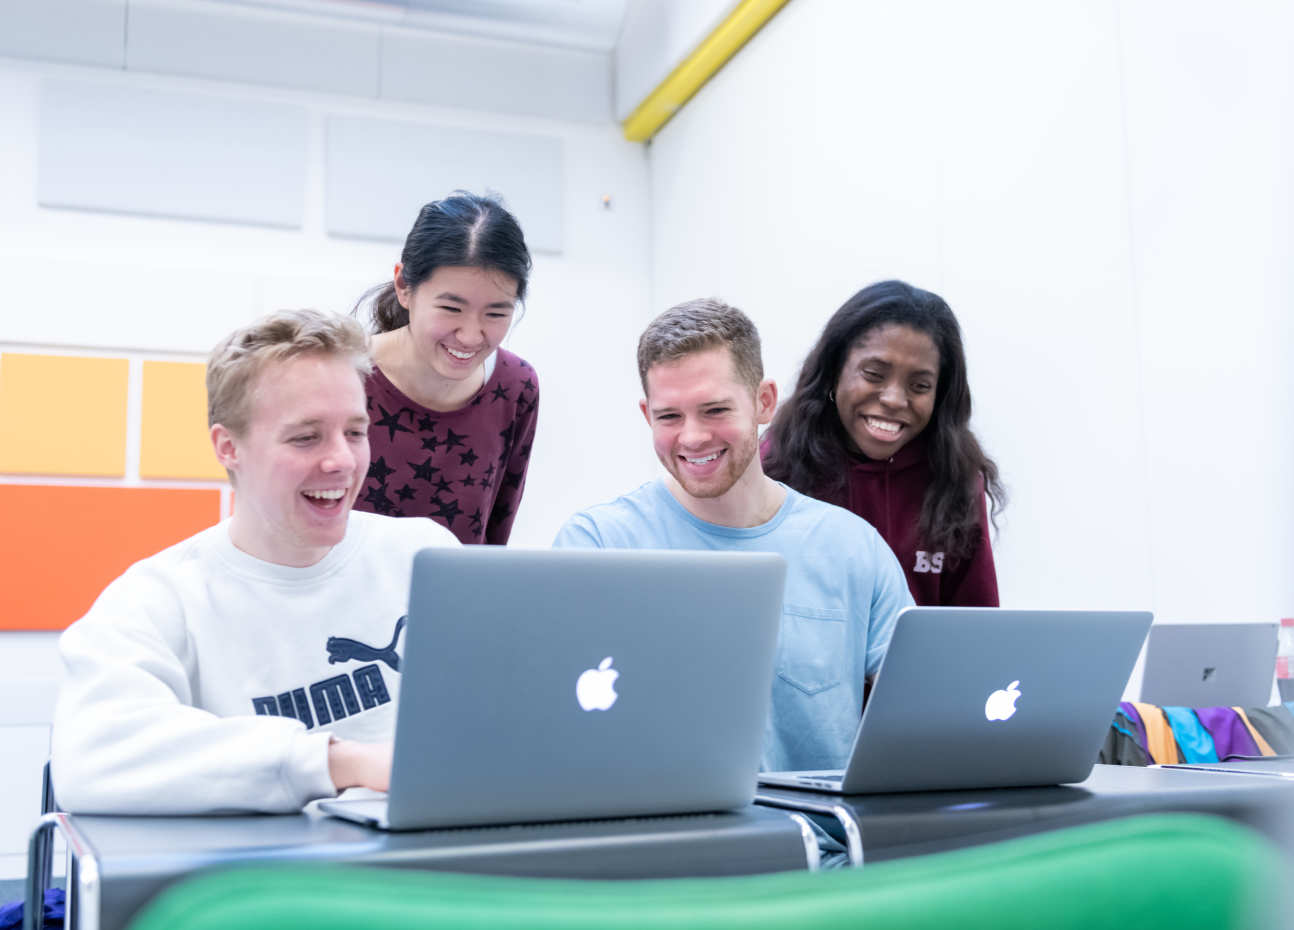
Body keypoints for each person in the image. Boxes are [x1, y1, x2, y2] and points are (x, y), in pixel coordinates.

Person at [51, 310, 459, 815]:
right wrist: (339, 764)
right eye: (306, 437)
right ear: (229, 447)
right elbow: (92, 759)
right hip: (263, 885)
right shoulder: (155, 601)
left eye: (355, 432)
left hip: (437, 869)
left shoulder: (423, 556)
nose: (342, 461)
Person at [553, 299, 913, 774]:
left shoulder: (852, 548)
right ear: (646, 414)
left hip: (820, 842)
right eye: (669, 417)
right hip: (658, 840)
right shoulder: (597, 544)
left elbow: (923, 713)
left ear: (764, 401)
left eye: (714, 409)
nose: (693, 437)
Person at [762, 280, 1005, 607]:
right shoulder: (777, 463)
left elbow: (977, 624)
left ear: (940, 394)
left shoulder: (954, 477)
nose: (893, 399)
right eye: (874, 374)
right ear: (835, 370)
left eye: (919, 386)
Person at [353, 192, 539, 544]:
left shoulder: (516, 387)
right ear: (404, 287)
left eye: (496, 314)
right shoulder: (345, 375)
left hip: (455, 598)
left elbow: (494, 538)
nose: (470, 336)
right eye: (452, 309)